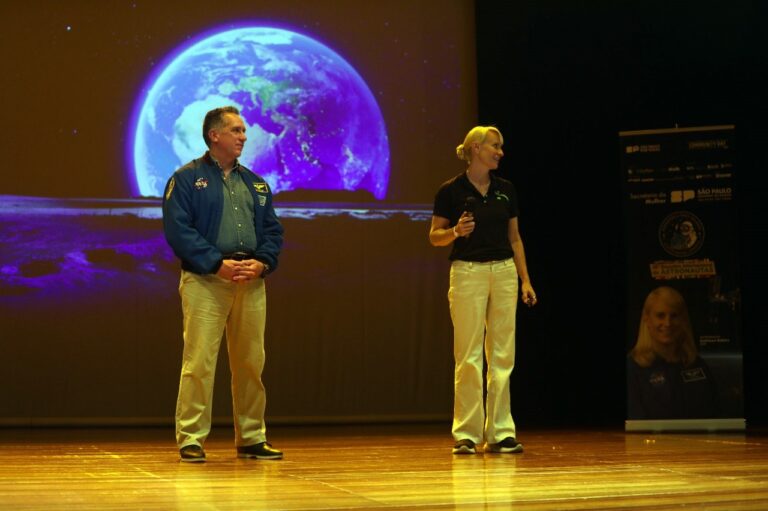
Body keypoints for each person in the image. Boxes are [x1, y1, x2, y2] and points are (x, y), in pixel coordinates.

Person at [162, 106, 284, 463]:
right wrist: (216, 264)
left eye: (244, 131)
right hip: (205, 281)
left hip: (250, 282)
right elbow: (178, 230)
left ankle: (251, 437)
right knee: (199, 360)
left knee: (250, 362)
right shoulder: (185, 179)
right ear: (214, 135)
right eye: (236, 130)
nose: (244, 136)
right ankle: (191, 438)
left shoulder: (257, 183)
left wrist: (263, 262)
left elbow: (274, 231)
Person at [429, 126, 537, 455]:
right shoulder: (450, 190)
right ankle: (467, 433)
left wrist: (525, 279)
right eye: (495, 146)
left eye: (500, 147)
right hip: (468, 272)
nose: (500, 152)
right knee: (469, 356)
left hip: (503, 271)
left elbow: (515, 238)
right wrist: (455, 232)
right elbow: (434, 236)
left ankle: (501, 431)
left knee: (503, 354)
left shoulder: (506, 189)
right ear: (476, 148)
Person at [627, 286, 718, 420]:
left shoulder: (697, 365)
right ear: (647, 319)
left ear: (683, 320)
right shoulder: (633, 369)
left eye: (674, 315)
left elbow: (715, 417)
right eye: (660, 315)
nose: (668, 323)